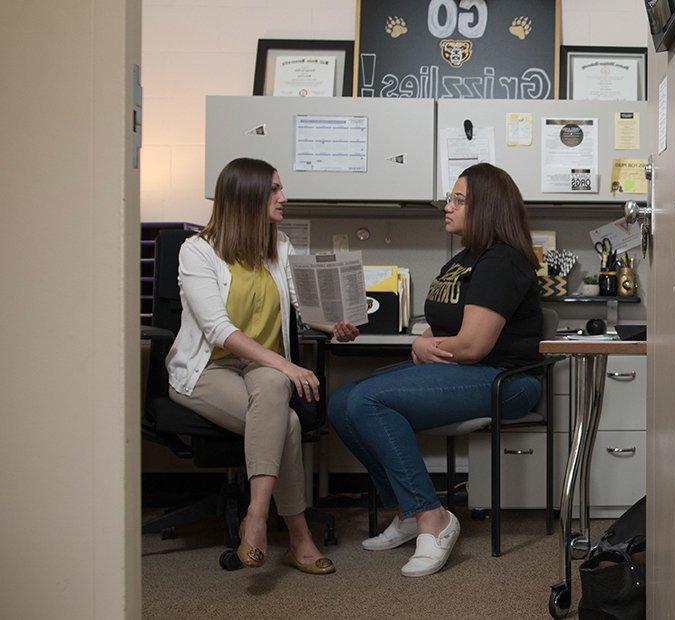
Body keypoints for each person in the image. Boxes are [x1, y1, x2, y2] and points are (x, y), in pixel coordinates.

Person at [328, 163, 544, 577]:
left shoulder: (502, 260)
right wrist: (427, 336)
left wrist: (423, 344)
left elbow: (472, 345)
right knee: (340, 403)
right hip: (468, 371)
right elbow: (446, 323)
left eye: (458, 199)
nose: (447, 206)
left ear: (486, 207)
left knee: (369, 401)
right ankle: (409, 511)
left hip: (506, 380)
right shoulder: (463, 259)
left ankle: (434, 517)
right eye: (450, 197)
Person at [166, 157, 358, 574]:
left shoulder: (280, 245)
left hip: (260, 371)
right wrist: (289, 367)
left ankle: (255, 520)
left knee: (273, 384)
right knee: (287, 422)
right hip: (207, 372)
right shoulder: (197, 251)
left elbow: (300, 309)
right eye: (274, 189)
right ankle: (294, 535)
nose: (283, 197)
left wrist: (332, 325)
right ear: (247, 196)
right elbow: (218, 331)